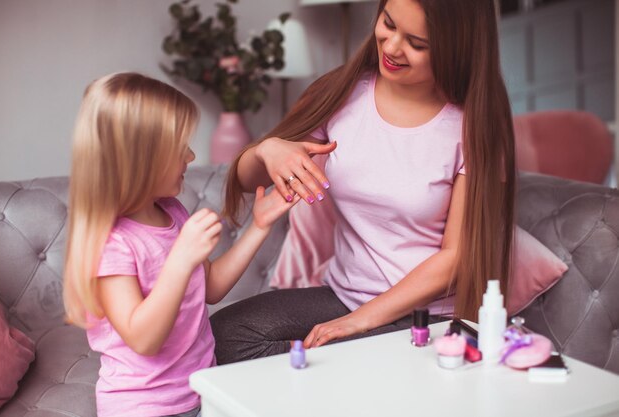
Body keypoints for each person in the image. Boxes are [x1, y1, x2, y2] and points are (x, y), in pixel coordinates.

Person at [211, 0, 515, 364]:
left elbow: (455, 258)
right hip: (343, 297)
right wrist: (269, 151)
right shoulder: (341, 92)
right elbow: (247, 180)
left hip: (426, 317)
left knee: (338, 362)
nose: (390, 47)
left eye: (416, 44)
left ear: (456, 48)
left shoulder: (472, 127)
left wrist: (356, 323)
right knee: (224, 336)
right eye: (388, 23)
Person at [62, 72, 298, 417]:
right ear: (139, 162)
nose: (190, 156)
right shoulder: (111, 244)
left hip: (200, 390)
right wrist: (180, 259)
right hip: (142, 408)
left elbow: (210, 288)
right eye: (178, 149)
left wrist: (259, 227)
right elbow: (143, 338)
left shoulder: (172, 212)